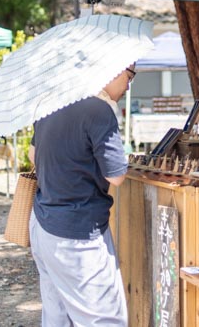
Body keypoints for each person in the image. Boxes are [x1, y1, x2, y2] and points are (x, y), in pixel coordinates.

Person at [28, 64, 136, 326]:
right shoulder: (99, 110)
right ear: (112, 69)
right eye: (129, 74)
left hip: (43, 222)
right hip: (77, 232)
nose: (129, 84)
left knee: (57, 316)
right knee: (104, 319)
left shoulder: (50, 104)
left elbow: (32, 154)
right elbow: (116, 175)